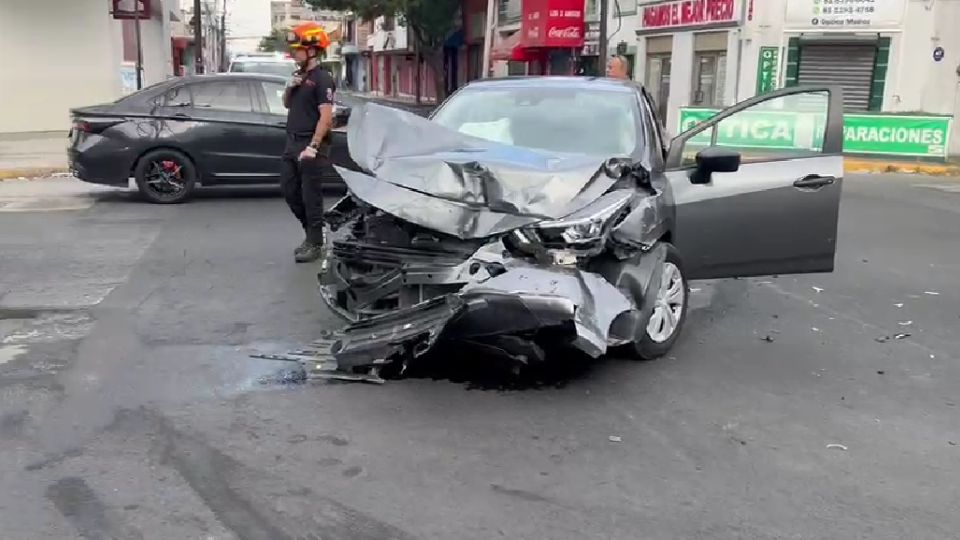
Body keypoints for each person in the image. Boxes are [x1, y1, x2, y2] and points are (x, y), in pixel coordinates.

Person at [281, 22, 336, 263]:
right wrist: (288, 88)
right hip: (291, 142)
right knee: (289, 191)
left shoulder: (323, 79)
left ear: (312, 50)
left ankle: (315, 244)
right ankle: (313, 233)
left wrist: (313, 146)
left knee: (310, 197)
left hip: (310, 145)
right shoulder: (298, 77)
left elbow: (326, 116)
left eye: (298, 50)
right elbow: (286, 104)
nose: (294, 54)